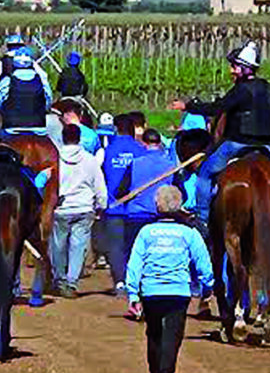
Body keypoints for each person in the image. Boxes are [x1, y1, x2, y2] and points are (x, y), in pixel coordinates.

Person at [125, 185, 214, 373]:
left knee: (154, 335)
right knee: (172, 339)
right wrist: (207, 287)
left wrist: (133, 293)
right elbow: (204, 264)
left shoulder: (146, 232)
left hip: (151, 292)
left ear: (157, 205)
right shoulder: (189, 233)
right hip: (177, 293)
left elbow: (134, 264)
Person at [181, 41, 270, 227]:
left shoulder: (240, 91)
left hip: (238, 144)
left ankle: (202, 219)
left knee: (204, 174)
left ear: (244, 69)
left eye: (234, 67)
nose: (231, 71)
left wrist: (188, 106)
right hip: (268, 146)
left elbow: (216, 108)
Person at [49, 123, 107, 298]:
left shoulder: (55, 159)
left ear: (63, 138)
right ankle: (71, 281)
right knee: (78, 246)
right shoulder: (90, 160)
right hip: (84, 208)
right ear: (79, 138)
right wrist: (101, 206)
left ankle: (59, 279)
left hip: (61, 208)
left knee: (58, 245)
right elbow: (99, 186)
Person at [98, 114, 145, 295]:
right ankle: (136, 281)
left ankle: (119, 282)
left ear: (116, 129)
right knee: (134, 247)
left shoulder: (108, 151)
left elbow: (100, 176)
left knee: (116, 247)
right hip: (136, 208)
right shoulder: (140, 150)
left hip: (113, 207)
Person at [116, 128, 178, 263]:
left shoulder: (135, 164)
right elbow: (180, 193)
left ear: (143, 143)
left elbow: (120, 192)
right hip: (161, 217)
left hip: (136, 216)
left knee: (134, 257)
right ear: (159, 143)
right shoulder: (171, 166)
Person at [0, 47, 52, 135]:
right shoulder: (41, 80)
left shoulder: (7, 80)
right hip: (39, 127)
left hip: (11, 127)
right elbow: (48, 101)